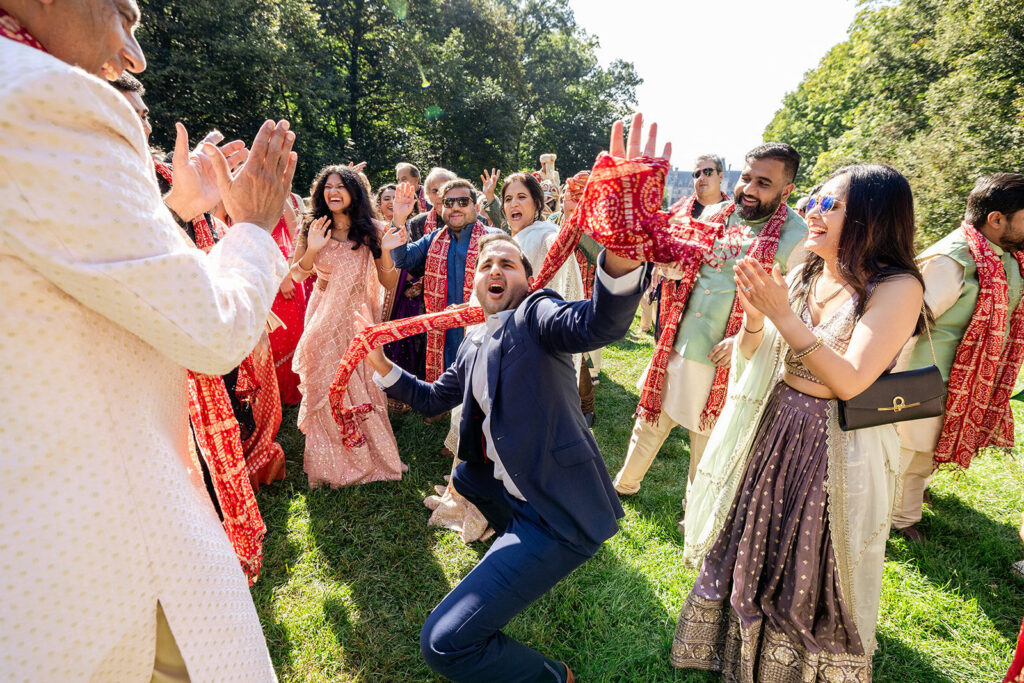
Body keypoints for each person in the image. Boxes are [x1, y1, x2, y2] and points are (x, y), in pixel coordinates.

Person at [0, 2, 297, 679]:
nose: (134, 57)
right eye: (125, 16)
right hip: (97, 571)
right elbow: (210, 328)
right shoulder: (41, 96)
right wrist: (251, 227)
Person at [361, 154, 652, 681]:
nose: (495, 269)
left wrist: (623, 260)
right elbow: (432, 399)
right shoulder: (473, 339)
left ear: (527, 278)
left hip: (557, 515)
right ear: (474, 284)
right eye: (485, 266)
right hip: (506, 502)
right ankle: (508, 550)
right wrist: (383, 369)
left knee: (444, 645)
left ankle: (552, 677)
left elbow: (595, 325)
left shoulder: (535, 315)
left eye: (508, 263)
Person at [673, 164, 926, 680]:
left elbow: (852, 381)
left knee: (810, 552)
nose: (812, 212)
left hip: (834, 442)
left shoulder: (897, 287)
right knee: (751, 533)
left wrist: (782, 318)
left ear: (872, 218)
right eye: (813, 200)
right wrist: (755, 316)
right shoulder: (807, 265)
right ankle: (731, 641)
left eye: (829, 205)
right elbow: (754, 350)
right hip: (775, 421)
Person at [613, 143, 808, 502]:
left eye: (763, 183)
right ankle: (624, 486)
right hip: (680, 336)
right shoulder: (715, 213)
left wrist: (747, 338)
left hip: (729, 357)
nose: (748, 190)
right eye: (746, 178)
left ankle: (695, 512)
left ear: (787, 190)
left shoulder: (797, 239)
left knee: (708, 439)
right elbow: (685, 267)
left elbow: (796, 312)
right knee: (651, 421)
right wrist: (670, 267)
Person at [892, 173, 1024, 541]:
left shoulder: (1007, 257)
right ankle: (898, 520)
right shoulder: (951, 260)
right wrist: (883, 387)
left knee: (925, 454)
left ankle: (910, 496)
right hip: (921, 380)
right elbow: (905, 326)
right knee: (910, 454)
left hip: (964, 383)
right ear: (996, 220)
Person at [290, 165, 405, 488]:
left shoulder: (373, 230)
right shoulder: (311, 226)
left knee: (366, 384)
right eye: (328, 186)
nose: (334, 192)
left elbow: (388, 280)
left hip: (358, 319)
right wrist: (312, 247)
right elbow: (297, 275)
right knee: (324, 386)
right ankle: (330, 463)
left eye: (341, 186)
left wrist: (384, 249)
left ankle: (375, 457)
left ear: (354, 192)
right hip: (323, 318)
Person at [387, 178, 503, 382]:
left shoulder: (495, 239)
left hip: (483, 327)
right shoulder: (433, 239)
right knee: (449, 386)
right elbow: (402, 259)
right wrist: (398, 218)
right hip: (444, 334)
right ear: (441, 209)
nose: (455, 207)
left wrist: (473, 307)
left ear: (475, 207)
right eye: (449, 203)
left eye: (463, 202)